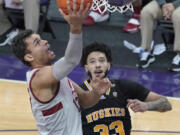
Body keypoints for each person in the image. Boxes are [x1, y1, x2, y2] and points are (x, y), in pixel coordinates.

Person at [11, 1, 114, 135]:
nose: (45, 41)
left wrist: (96, 92)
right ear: (29, 57)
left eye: (41, 38)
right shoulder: (38, 78)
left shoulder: (59, 77)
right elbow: (71, 60)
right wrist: (75, 28)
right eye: (38, 43)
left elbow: (85, 101)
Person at [80, 42, 172, 135]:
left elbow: (166, 103)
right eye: (92, 61)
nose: (97, 65)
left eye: (101, 60)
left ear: (108, 65)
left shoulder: (123, 86)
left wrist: (147, 106)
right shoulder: (79, 93)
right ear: (86, 68)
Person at [138, 0, 180, 71]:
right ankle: (146, 51)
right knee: (146, 12)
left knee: (177, 16)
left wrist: (174, 5)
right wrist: (163, 5)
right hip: (164, 4)